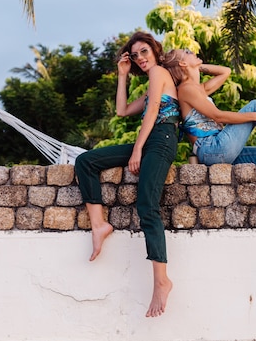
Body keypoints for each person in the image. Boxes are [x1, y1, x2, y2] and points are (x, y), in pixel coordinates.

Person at [74, 32, 179, 318]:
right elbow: (122, 111)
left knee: (147, 205)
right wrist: (122, 75)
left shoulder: (159, 72)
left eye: (144, 52)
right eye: (135, 56)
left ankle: (161, 281)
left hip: (163, 138)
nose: (140, 59)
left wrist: (137, 151)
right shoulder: (150, 83)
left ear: (155, 51)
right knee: (85, 162)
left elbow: (154, 112)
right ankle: (99, 225)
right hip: (150, 140)